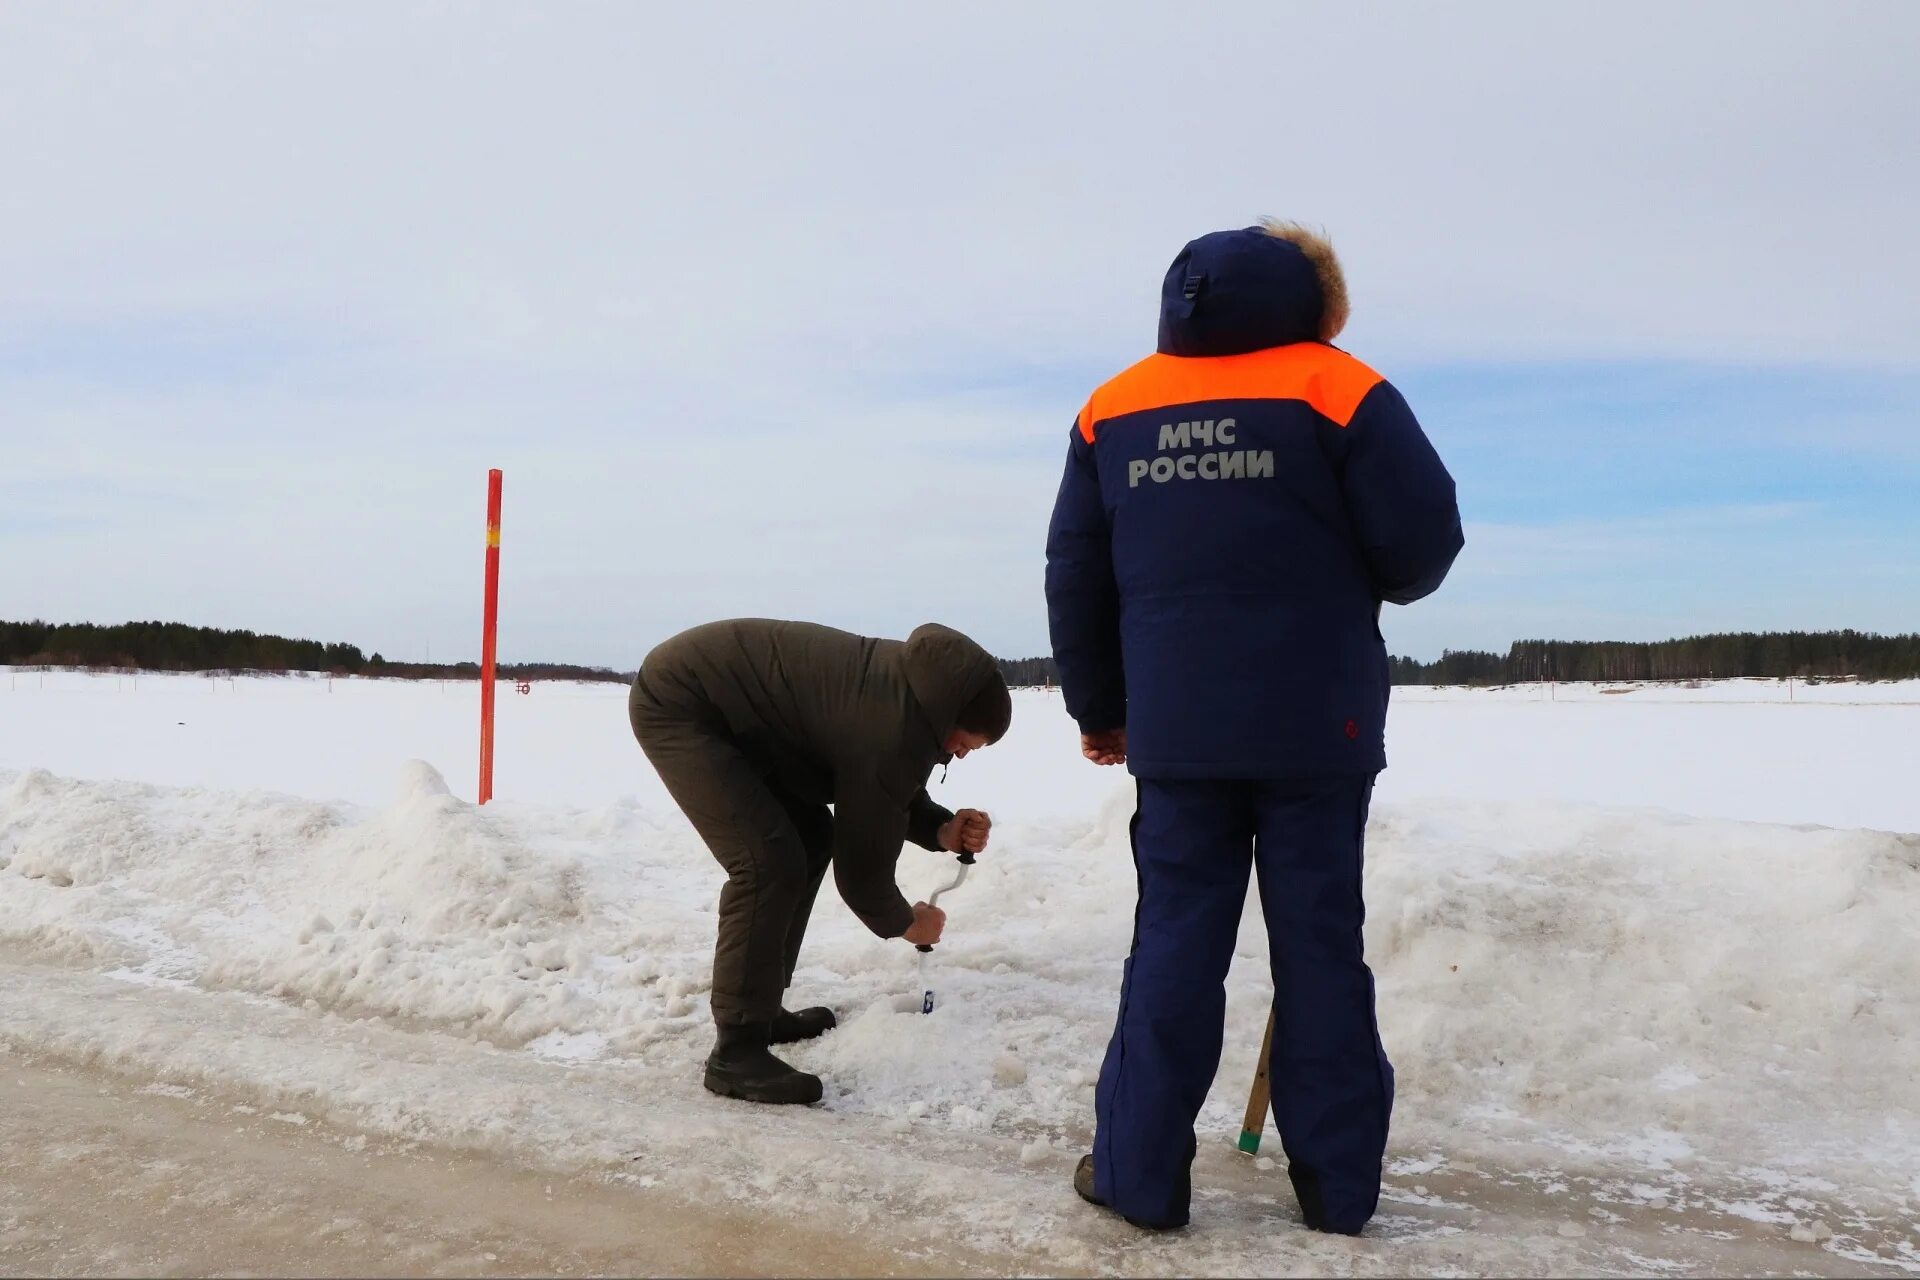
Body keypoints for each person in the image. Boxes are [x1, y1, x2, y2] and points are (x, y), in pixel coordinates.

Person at [1045, 221, 1463, 1234]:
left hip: (1179, 730)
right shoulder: (1341, 388)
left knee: (1174, 940)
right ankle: (1337, 1187)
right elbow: (1421, 546)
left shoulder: (1113, 406)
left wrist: (1101, 707)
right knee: (1321, 945)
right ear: (1319, 299)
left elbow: (1075, 570)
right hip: (1321, 723)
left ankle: (1141, 1177)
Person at [629, 618, 1010, 1105]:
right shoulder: (894, 721)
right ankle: (737, 1050)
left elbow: (882, 789)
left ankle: (761, 1011)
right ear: (948, 711)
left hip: (740, 718)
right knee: (766, 862)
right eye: (965, 741)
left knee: (808, 839)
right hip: (683, 704)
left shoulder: (911, 698)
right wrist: (905, 923)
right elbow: (863, 868)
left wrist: (940, 829)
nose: (961, 752)